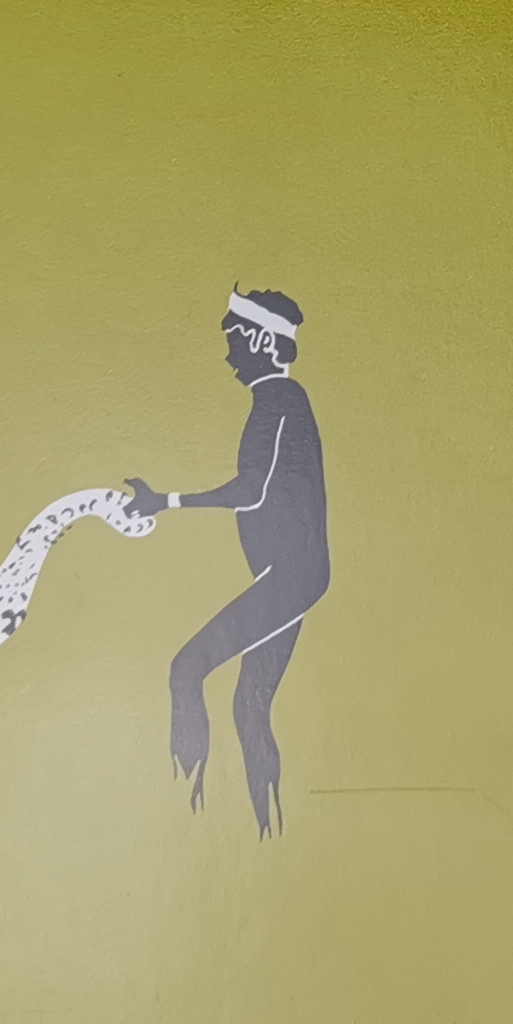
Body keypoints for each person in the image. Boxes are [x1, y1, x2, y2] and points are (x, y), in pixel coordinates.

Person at [128, 288, 330, 835]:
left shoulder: (278, 400)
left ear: (263, 341)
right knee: (250, 704)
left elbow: (250, 490)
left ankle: (181, 805)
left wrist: (166, 502)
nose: (229, 355)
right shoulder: (283, 399)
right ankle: (268, 826)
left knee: (187, 668)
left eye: (236, 340)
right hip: (295, 575)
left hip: (290, 577)